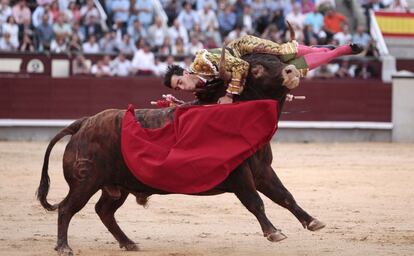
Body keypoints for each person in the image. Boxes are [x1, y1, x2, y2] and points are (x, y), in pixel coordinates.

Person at [163, 34, 363, 104]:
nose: (183, 87)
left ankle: (320, 49)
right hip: (248, 74)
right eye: (178, 89)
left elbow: (240, 65)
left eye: (180, 82)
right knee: (293, 69)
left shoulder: (202, 62)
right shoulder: (201, 87)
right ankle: (337, 52)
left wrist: (230, 96)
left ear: (186, 73)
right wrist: (179, 103)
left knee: (282, 53)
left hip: (244, 49)